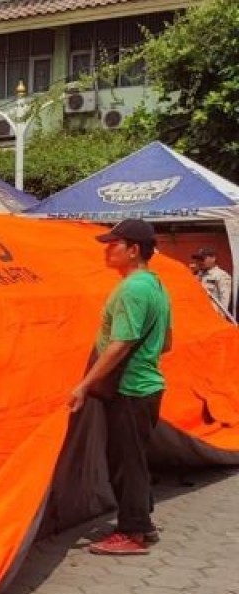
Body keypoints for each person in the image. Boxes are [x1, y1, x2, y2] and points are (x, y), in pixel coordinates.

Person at [68, 218, 172, 556]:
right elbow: (167, 342)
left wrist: (84, 385)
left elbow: (120, 343)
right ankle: (142, 523)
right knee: (133, 460)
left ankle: (132, 533)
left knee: (126, 464)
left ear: (134, 250)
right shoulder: (156, 285)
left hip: (130, 389)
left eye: (114, 244)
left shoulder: (132, 289)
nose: (107, 250)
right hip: (145, 387)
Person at [192, 247, 231, 313]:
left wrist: (221, 317)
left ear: (213, 258)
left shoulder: (221, 276)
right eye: (198, 259)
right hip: (197, 313)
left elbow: (224, 301)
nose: (199, 262)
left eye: (202, 259)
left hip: (211, 314)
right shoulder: (196, 275)